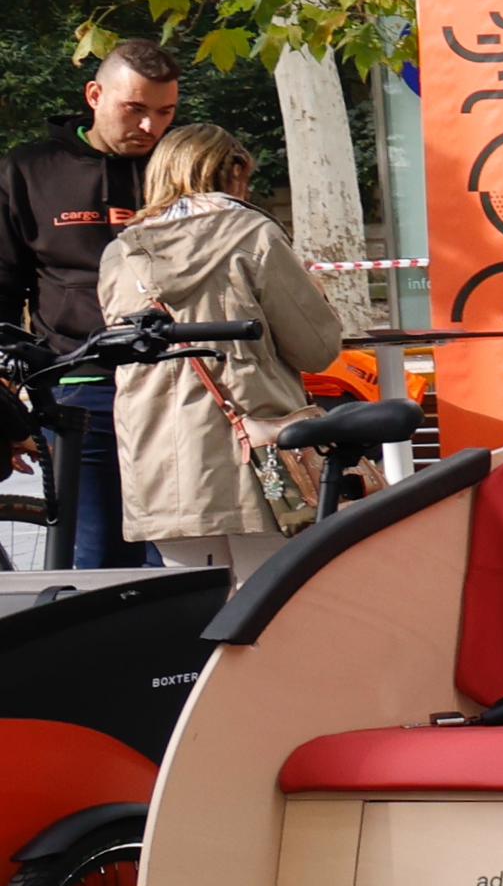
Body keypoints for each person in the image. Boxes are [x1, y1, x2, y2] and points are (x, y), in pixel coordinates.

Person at [97, 122, 341, 579]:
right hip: (257, 455)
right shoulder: (254, 235)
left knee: (194, 604)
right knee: (270, 601)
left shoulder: (121, 253)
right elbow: (317, 349)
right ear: (234, 171)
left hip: (158, 461)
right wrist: (316, 293)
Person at [0, 39, 183, 569]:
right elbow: (3, 288)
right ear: (94, 95)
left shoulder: (182, 165)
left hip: (181, 388)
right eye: (135, 108)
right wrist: (7, 400)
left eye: (166, 112)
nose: (150, 127)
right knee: (101, 558)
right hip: (79, 388)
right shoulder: (29, 170)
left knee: (182, 556)